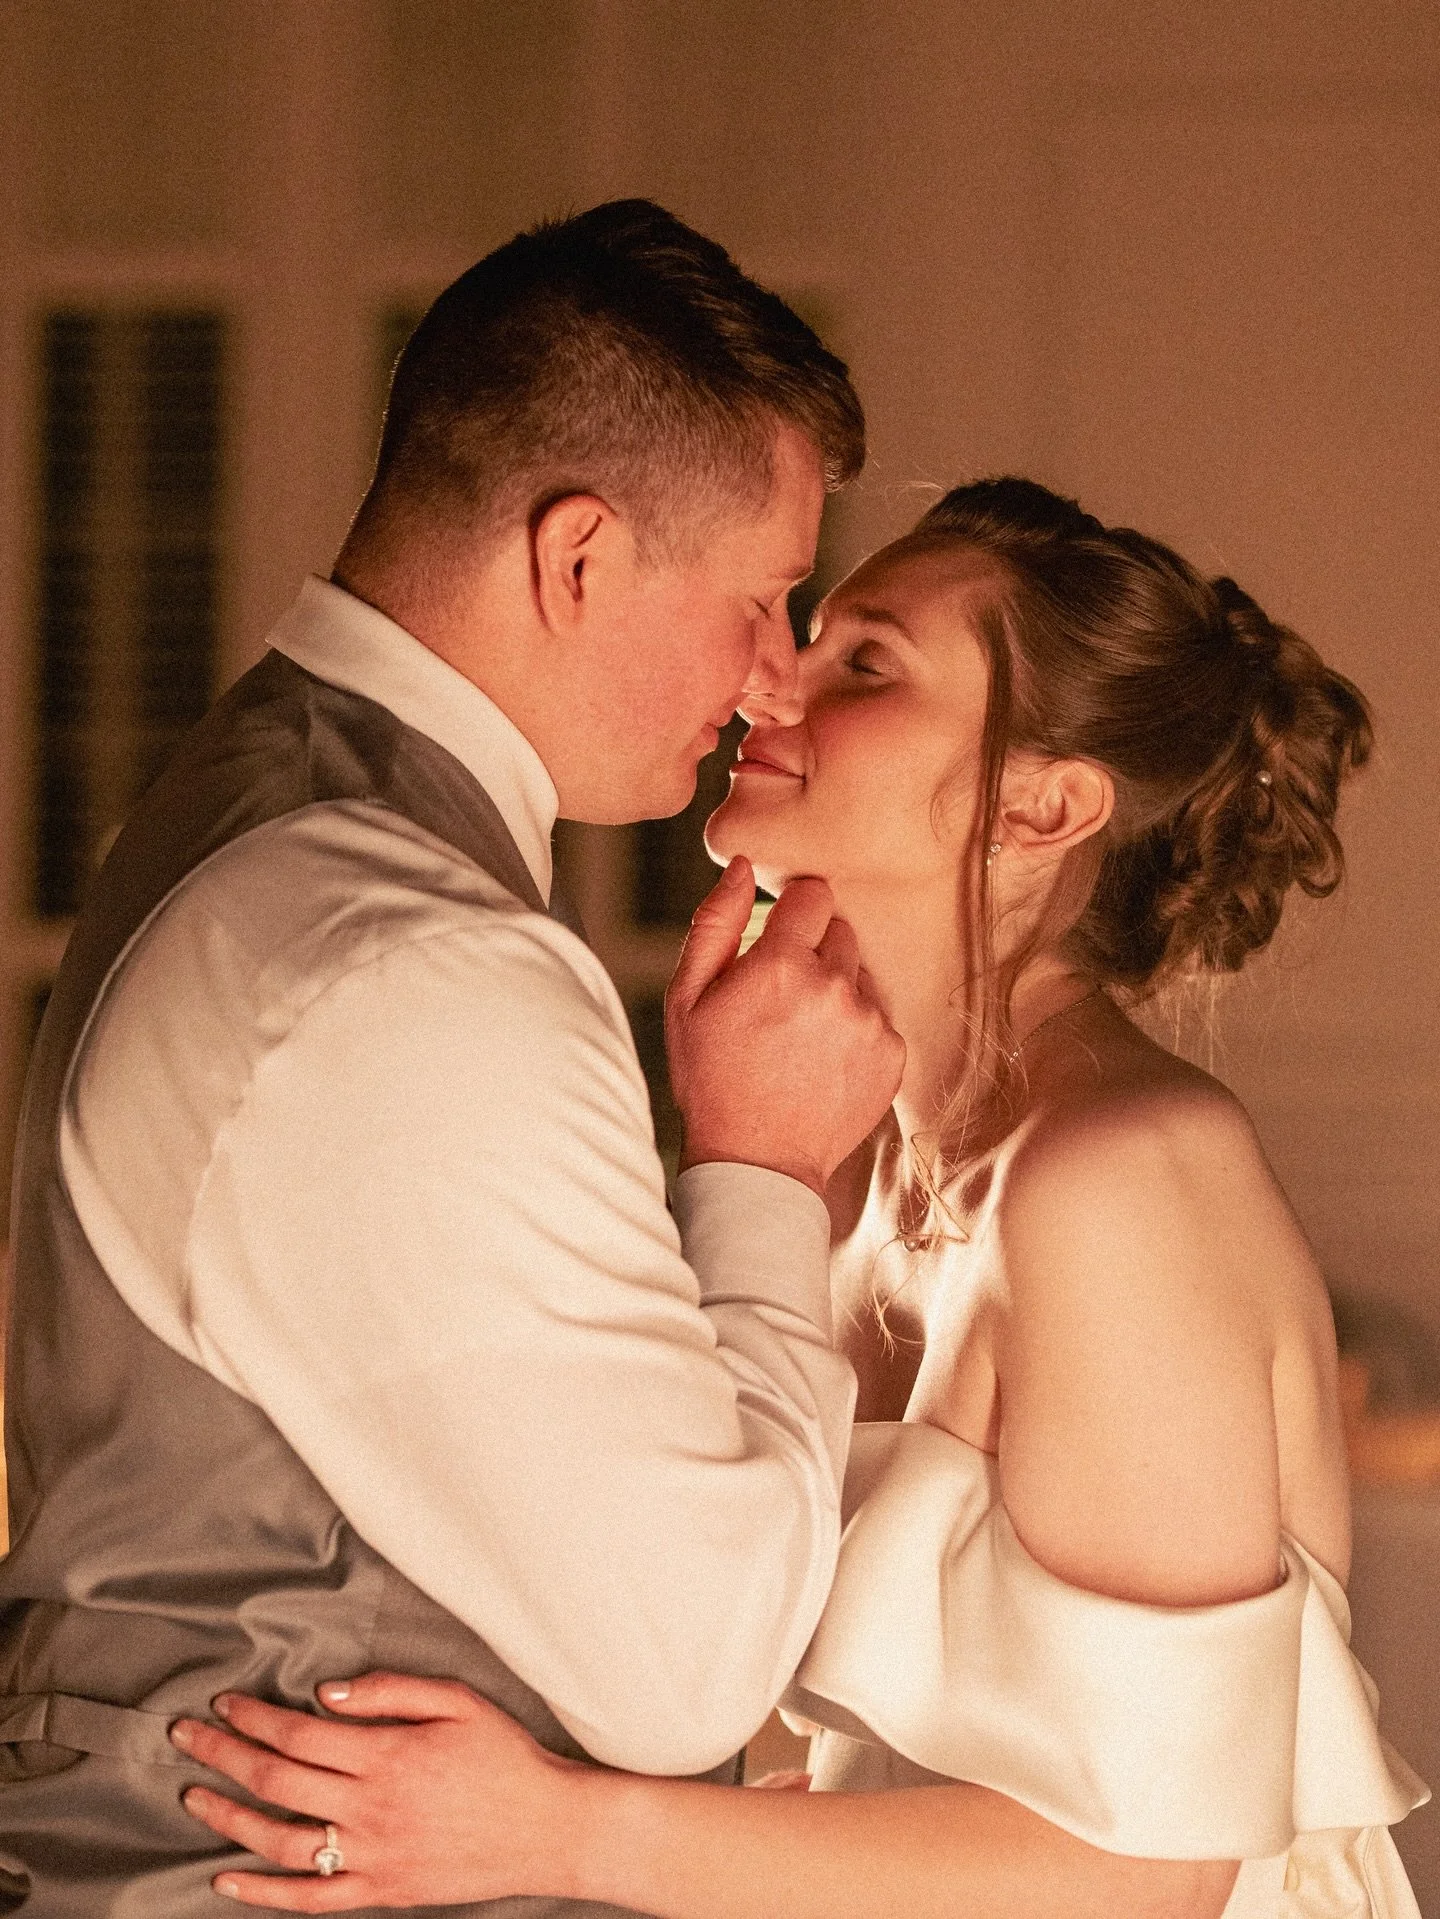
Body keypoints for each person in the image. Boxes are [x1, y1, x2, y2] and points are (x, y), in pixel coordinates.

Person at [175, 479, 1426, 1919]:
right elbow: (857, 1780)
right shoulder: (842, 1168)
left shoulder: (1123, 1174)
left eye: (865, 665)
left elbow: (1147, 1869)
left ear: (1043, 800)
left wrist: (560, 1831)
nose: (773, 684)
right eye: (805, 640)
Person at [0, 201, 906, 1913]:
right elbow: (687, 1661)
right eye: (765, 600)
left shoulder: (246, 806)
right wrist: (766, 1174)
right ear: (577, 557)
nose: (776, 680)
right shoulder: (417, 959)